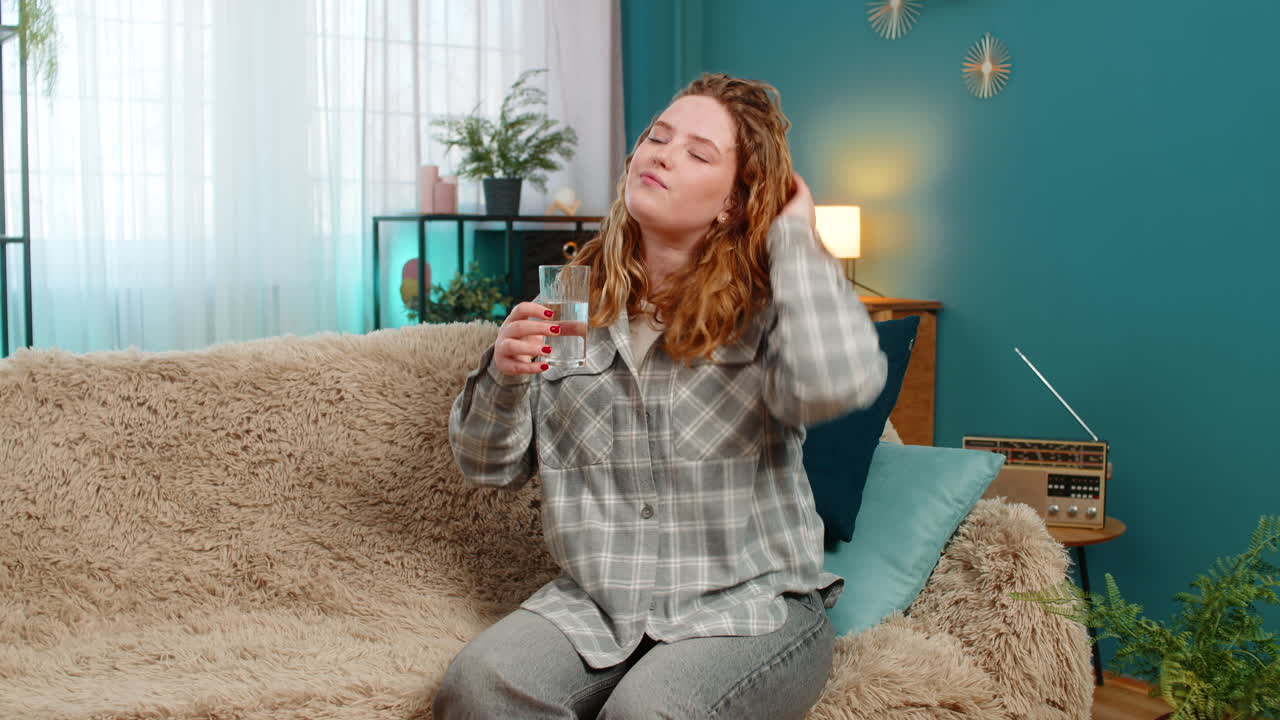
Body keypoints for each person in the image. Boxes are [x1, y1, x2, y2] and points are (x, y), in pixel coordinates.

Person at [438, 73, 887, 719]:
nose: (662, 154)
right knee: (478, 685)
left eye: (698, 153)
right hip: (600, 603)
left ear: (733, 203)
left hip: (751, 607)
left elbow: (838, 381)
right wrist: (505, 376)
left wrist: (793, 235)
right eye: (657, 137)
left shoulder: (766, 308)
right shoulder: (567, 300)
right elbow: (488, 464)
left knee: (647, 713)